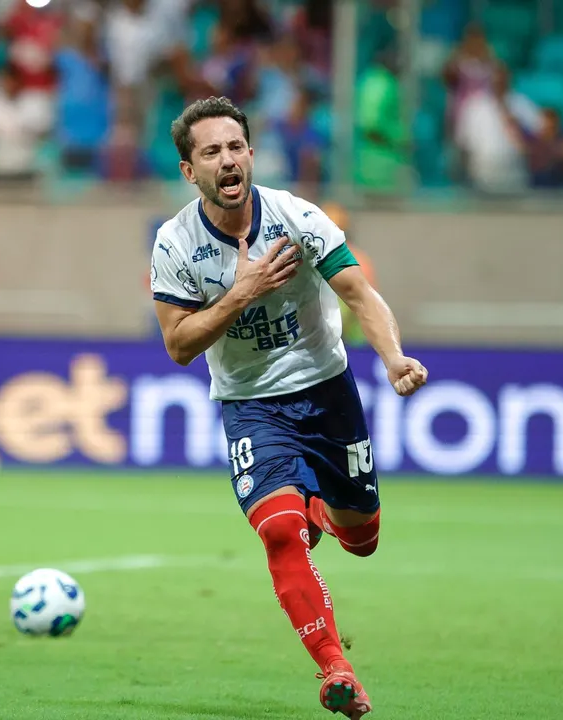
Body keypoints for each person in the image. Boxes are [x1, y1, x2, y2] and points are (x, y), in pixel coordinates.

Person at [149, 96, 428, 719]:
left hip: (326, 392)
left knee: (363, 539)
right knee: (279, 530)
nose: (227, 160)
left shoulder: (297, 218)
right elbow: (178, 345)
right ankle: (337, 667)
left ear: (251, 153)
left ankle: (326, 510)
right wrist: (240, 295)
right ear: (188, 171)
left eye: (235, 147)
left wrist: (393, 357)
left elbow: (359, 292)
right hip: (251, 406)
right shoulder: (175, 243)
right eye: (211, 151)